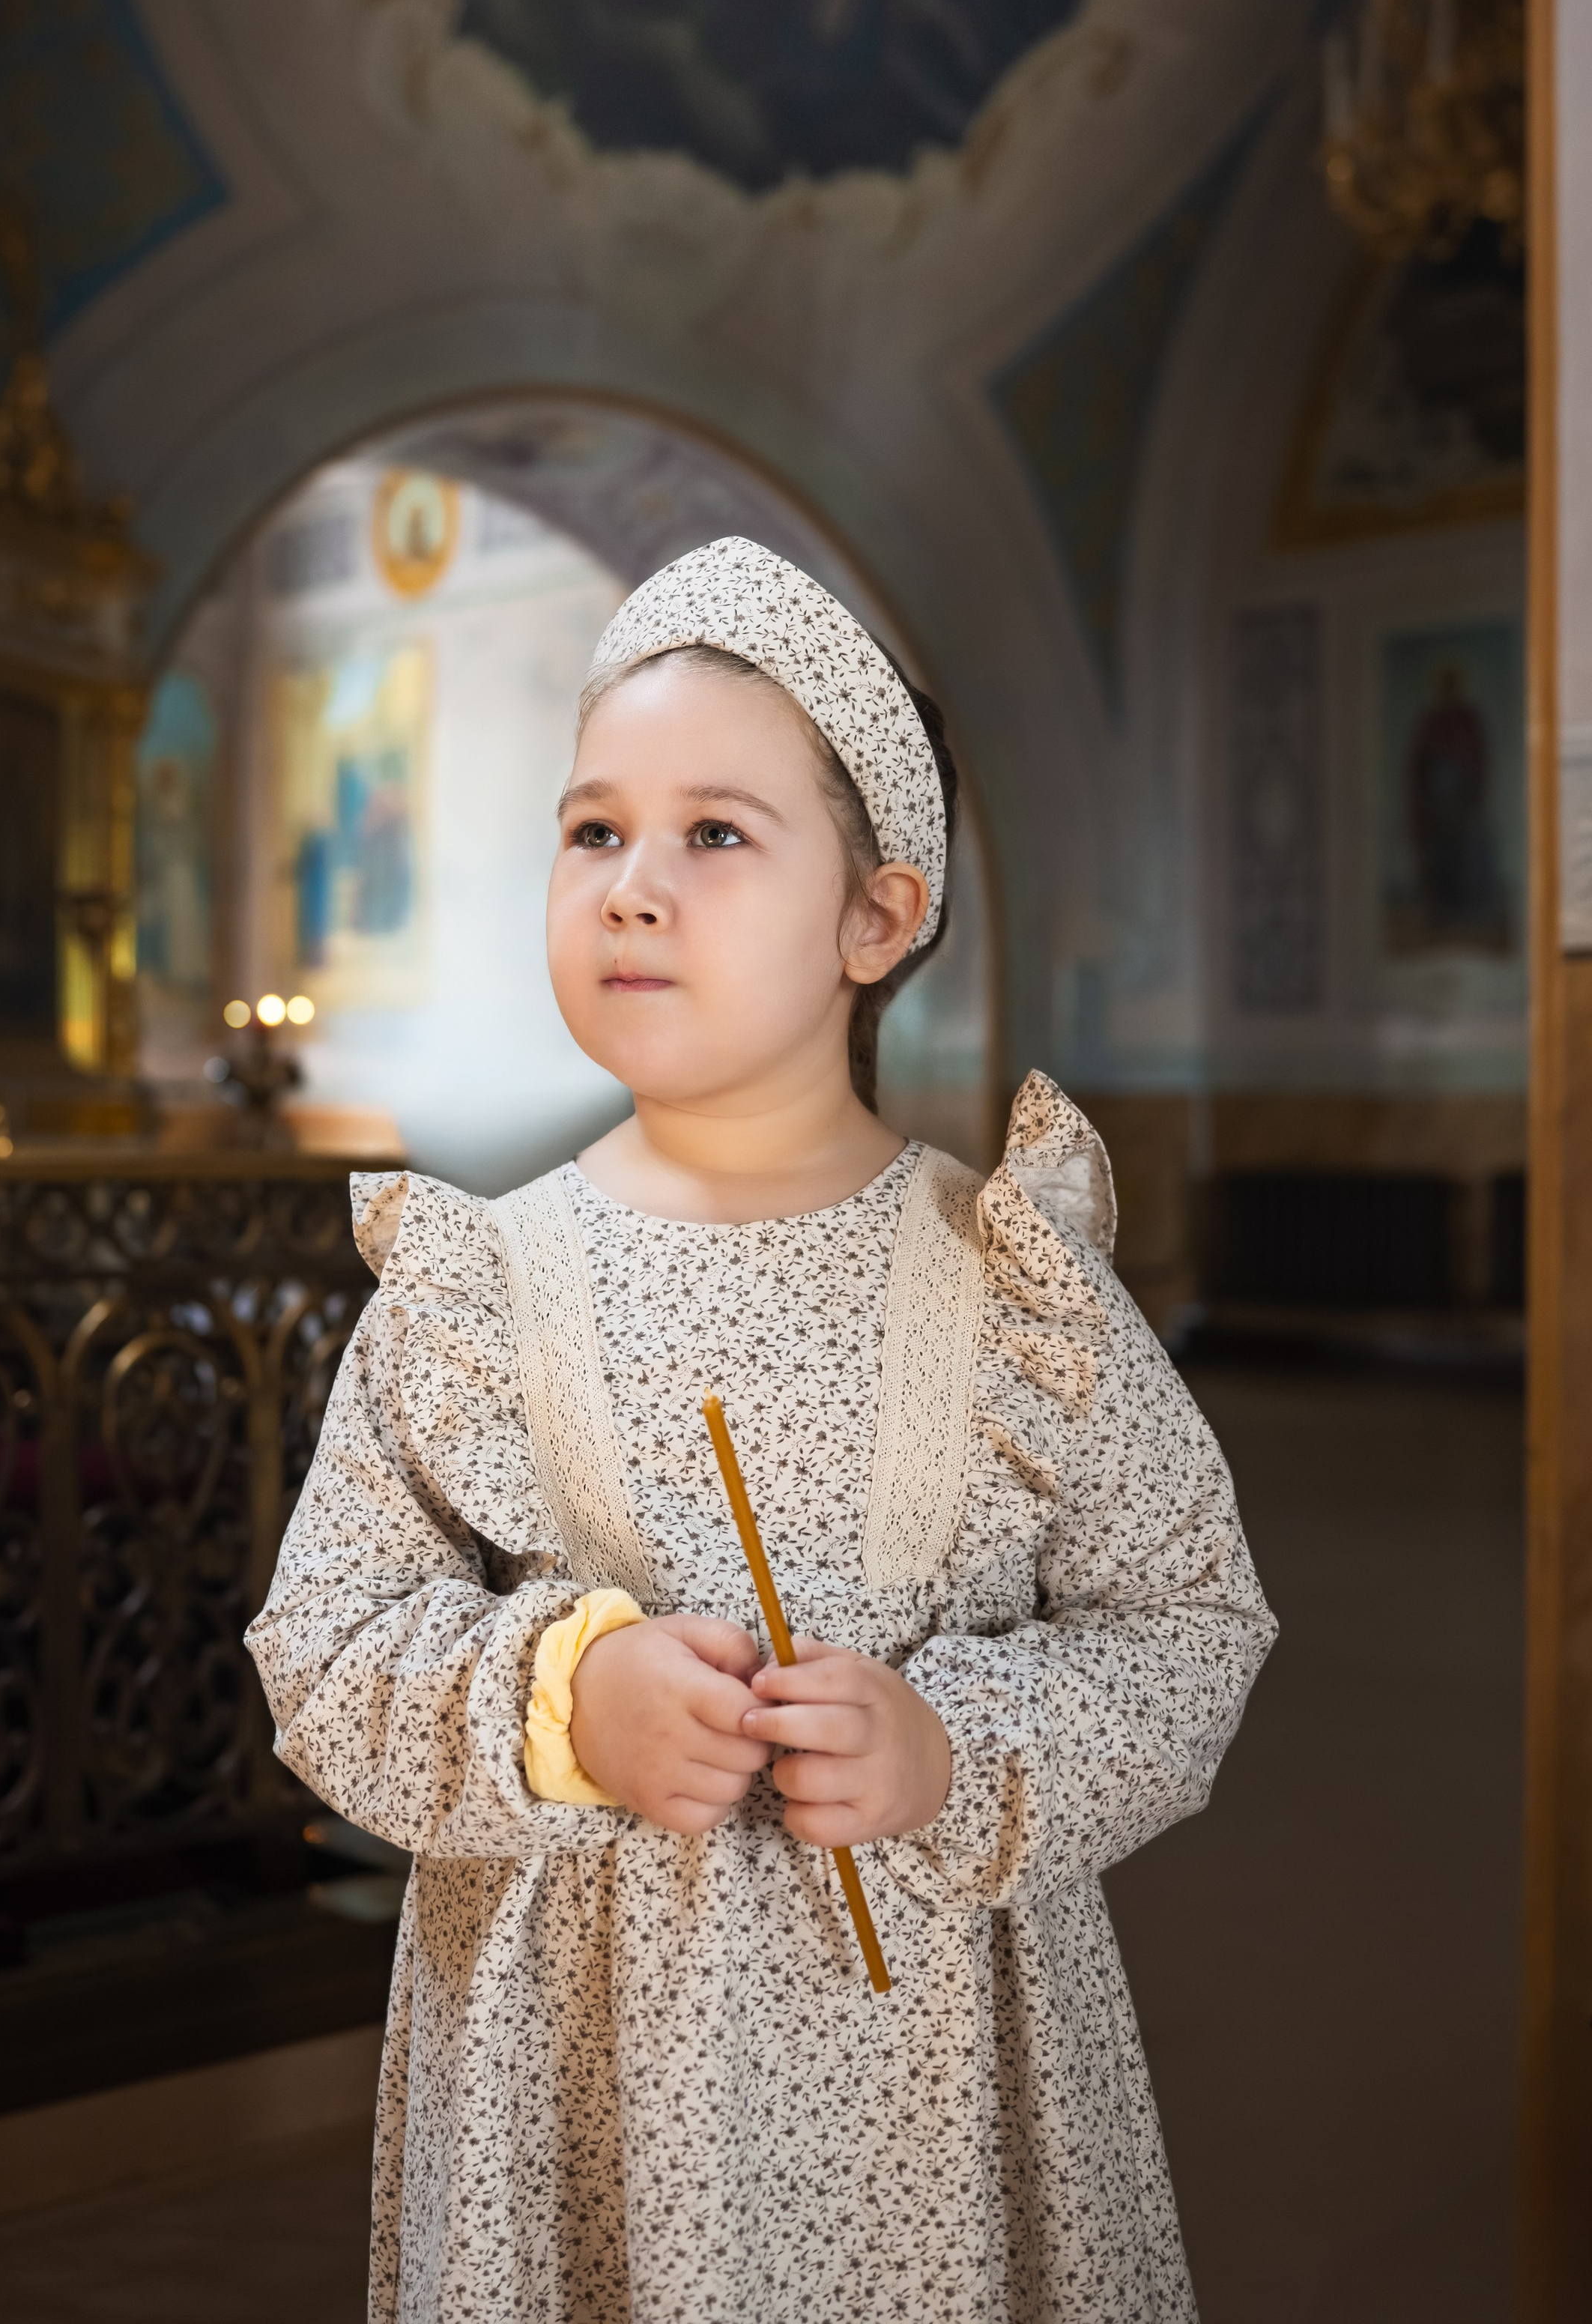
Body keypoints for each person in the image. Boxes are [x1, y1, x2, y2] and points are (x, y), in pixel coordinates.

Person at [247, 536, 1274, 2324]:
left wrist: (950, 1741)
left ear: (877, 916)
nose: (632, 888)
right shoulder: (472, 1288)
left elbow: (1185, 1620)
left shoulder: (1008, 1287)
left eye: (714, 834)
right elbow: (323, 1648)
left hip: (934, 2096)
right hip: (573, 2088)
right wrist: (567, 1704)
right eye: (593, 832)